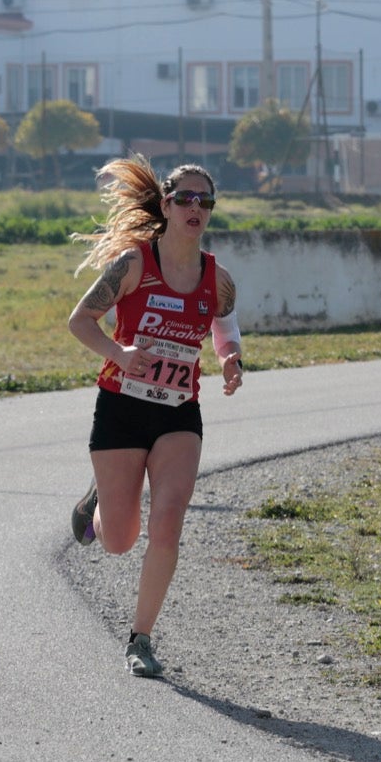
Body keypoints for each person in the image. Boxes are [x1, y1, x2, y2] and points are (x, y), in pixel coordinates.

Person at [67, 156, 244, 677]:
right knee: (119, 540)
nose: (196, 208)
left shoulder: (219, 278)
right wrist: (120, 354)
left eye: (204, 201)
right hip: (121, 409)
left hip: (178, 416)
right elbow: (80, 321)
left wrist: (231, 358)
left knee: (168, 522)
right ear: (166, 205)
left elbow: (225, 326)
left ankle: (140, 639)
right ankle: (96, 502)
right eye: (185, 198)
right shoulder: (133, 266)